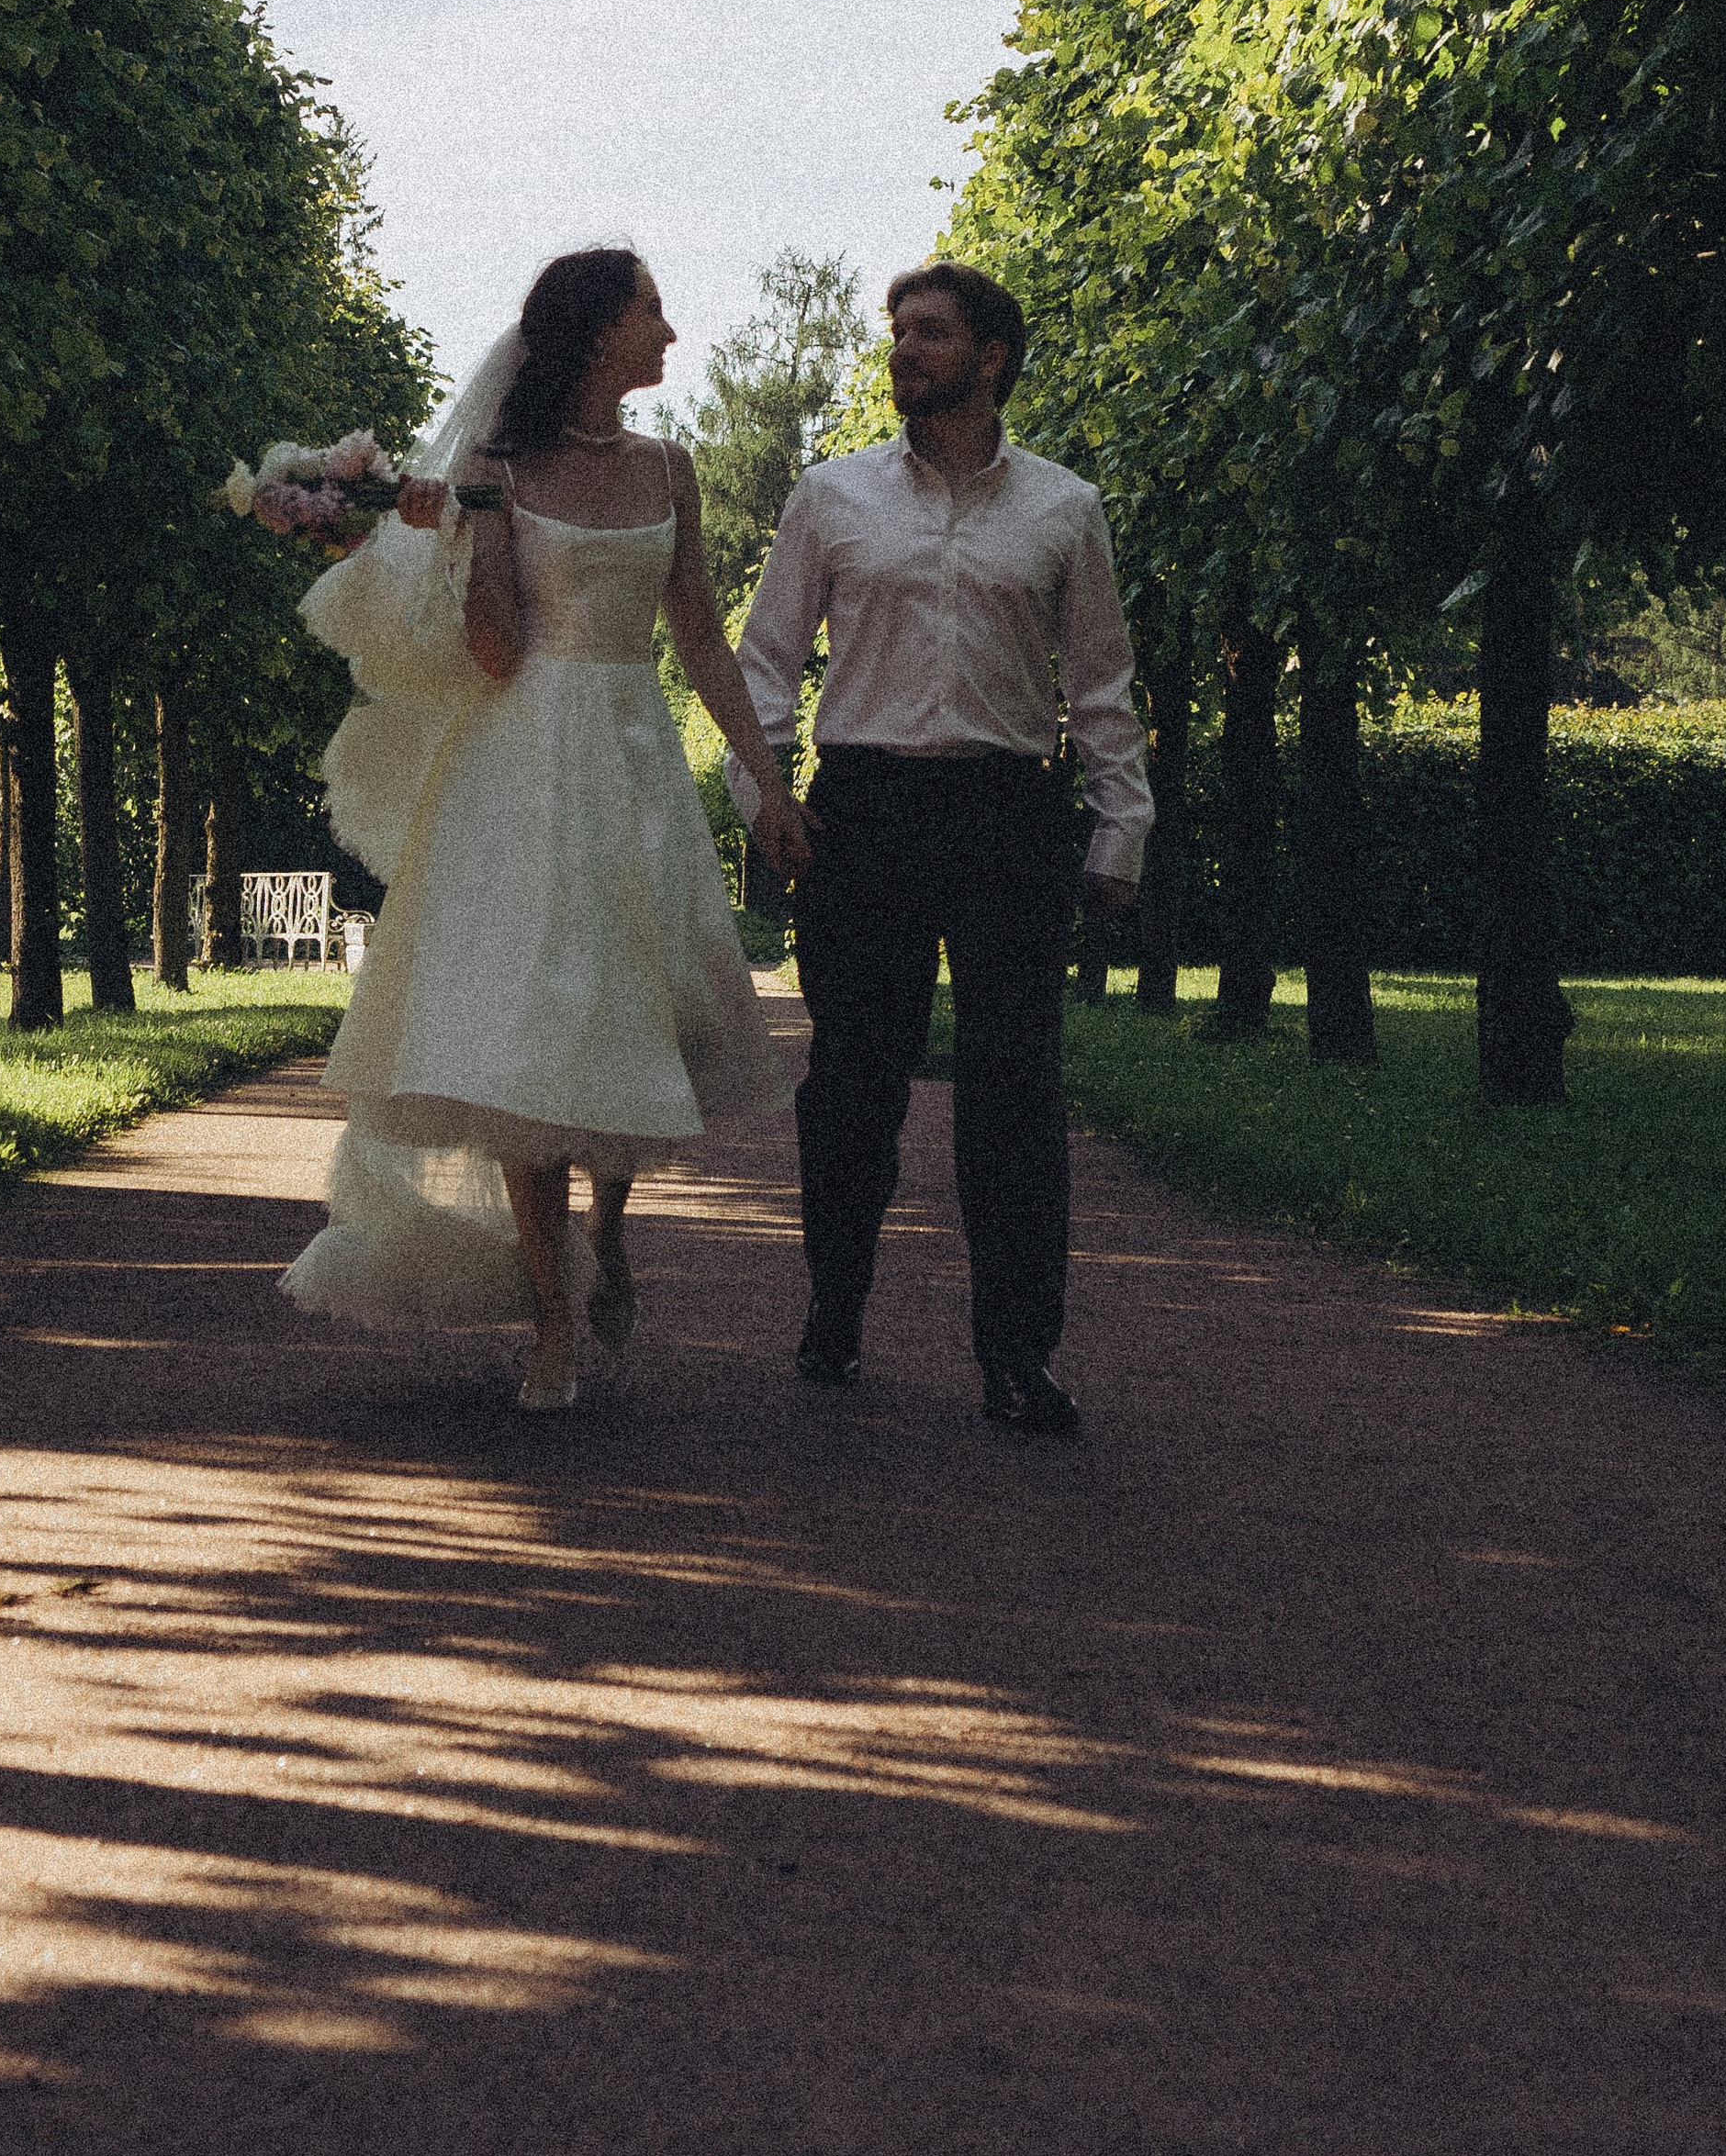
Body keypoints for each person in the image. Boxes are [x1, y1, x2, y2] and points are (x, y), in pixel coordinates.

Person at [264, 248, 812, 1413]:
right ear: (597, 332)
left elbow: (703, 637)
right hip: (522, 763)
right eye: (651, 312)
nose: (669, 332)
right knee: (527, 1026)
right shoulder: (497, 471)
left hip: (633, 758)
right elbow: (501, 654)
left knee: (634, 1007)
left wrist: (766, 779)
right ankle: (553, 1317)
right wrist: (461, 547)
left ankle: (604, 1232)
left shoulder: (672, 467)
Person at [729, 260, 1152, 1436]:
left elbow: (1100, 684)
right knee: (852, 1085)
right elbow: (764, 662)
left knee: (1015, 1093)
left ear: (992, 356)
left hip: (1009, 814)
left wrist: (1122, 827)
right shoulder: (830, 497)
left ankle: (1017, 1353)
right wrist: (766, 793)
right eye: (898, 331)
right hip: (861, 812)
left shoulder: (1065, 508)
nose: (904, 349)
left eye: (930, 332)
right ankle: (835, 1310)